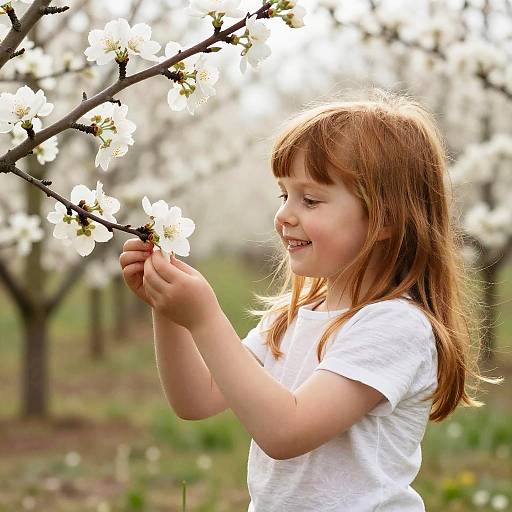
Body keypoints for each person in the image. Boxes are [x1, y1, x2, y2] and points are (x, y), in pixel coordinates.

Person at [119, 88, 499, 511]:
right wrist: (169, 312)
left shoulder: (395, 326)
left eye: (311, 199)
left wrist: (206, 318)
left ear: (386, 218)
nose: (285, 214)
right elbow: (197, 399)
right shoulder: (293, 317)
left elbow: (287, 432)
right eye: (284, 194)